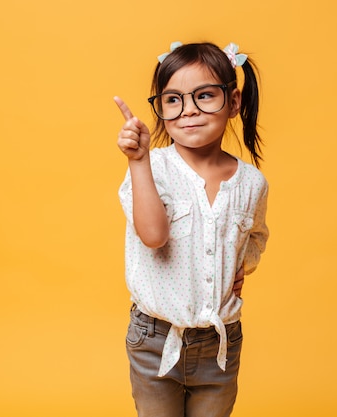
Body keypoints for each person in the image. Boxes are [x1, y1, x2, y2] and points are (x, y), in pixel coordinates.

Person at [114, 41, 269, 417]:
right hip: (155, 340)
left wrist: (235, 272)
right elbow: (153, 236)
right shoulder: (154, 169)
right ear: (162, 108)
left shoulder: (252, 182)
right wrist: (139, 162)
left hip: (220, 343)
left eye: (204, 96)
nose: (189, 111)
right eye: (173, 100)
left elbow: (255, 238)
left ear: (233, 102)